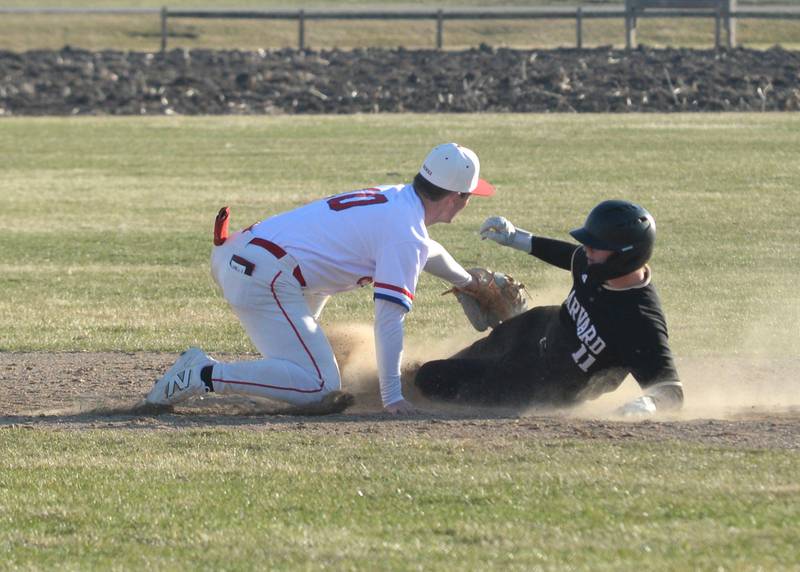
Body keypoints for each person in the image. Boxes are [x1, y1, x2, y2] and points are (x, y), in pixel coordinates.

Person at [145, 143, 495, 414]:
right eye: (469, 195)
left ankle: (232, 376)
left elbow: (427, 250)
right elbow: (389, 319)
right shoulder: (406, 233)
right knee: (318, 387)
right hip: (265, 276)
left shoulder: (399, 200)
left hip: (252, 258)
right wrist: (392, 397)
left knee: (300, 373)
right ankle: (202, 374)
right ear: (456, 197)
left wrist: (467, 282)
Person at [414, 200, 683, 416]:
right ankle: (513, 316)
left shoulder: (639, 321)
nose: (587, 249)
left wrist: (648, 404)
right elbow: (569, 255)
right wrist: (516, 238)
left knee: (430, 379)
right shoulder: (594, 265)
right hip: (531, 329)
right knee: (453, 364)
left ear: (625, 255)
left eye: (596, 246)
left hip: (536, 385)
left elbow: (671, 390)